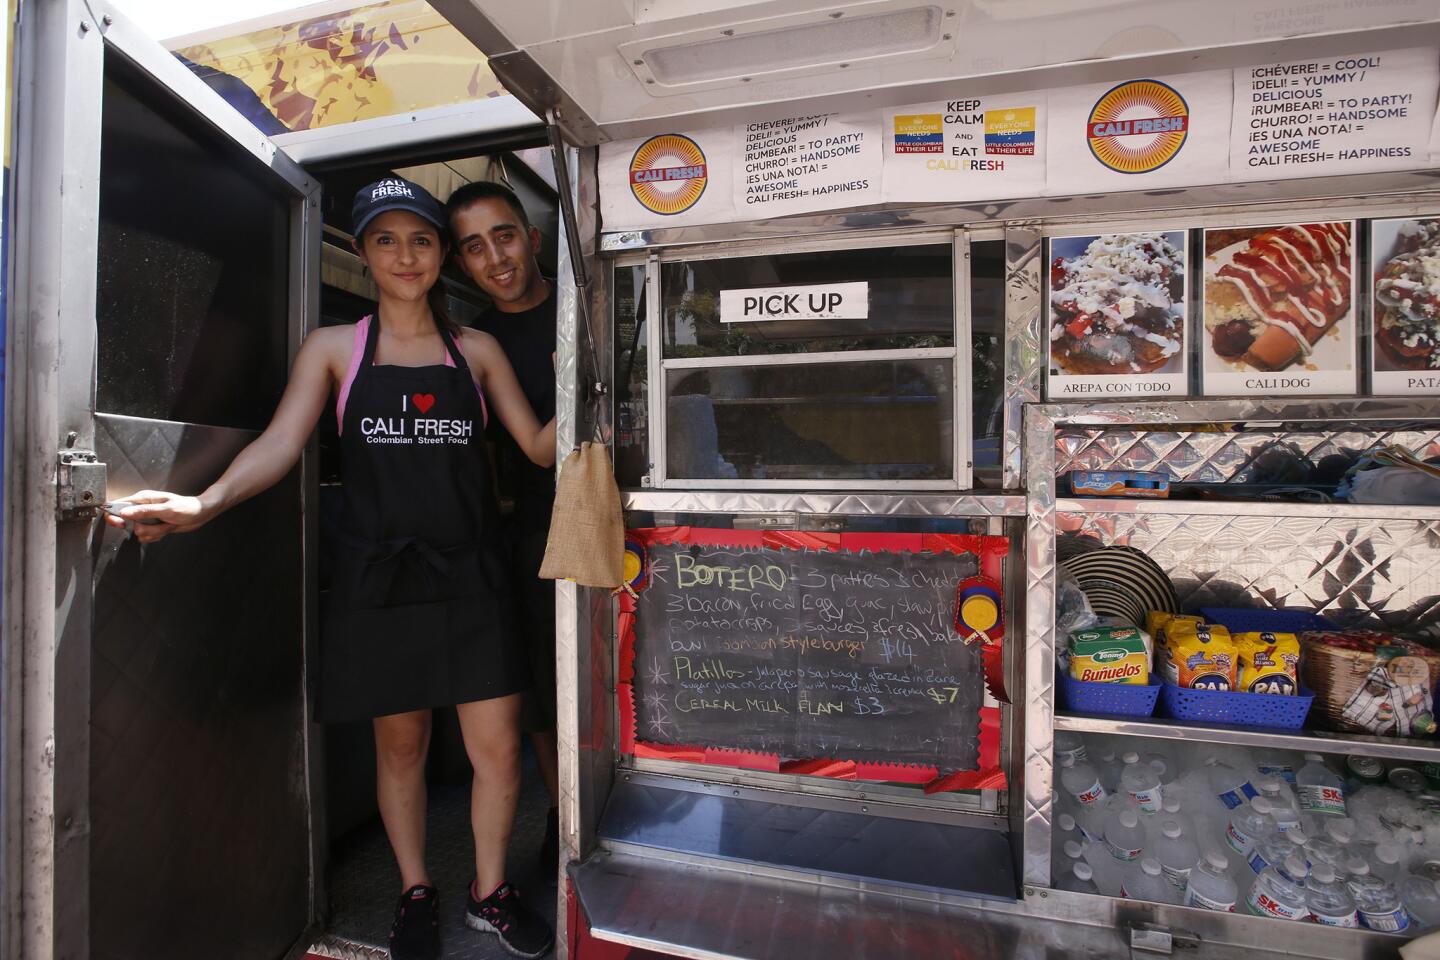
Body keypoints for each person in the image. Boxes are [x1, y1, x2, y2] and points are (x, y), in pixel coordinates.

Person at [107, 178, 555, 960]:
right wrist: (203, 504)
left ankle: (490, 891)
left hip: (472, 577)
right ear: (363, 252)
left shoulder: (476, 352)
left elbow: (540, 448)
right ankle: (417, 889)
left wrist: (594, 374)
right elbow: (281, 446)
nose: (405, 256)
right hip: (380, 581)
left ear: (439, 254)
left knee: (498, 750)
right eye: (386, 241)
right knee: (402, 750)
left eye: (421, 240)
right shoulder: (334, 349)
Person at [445, 182, 560, 873]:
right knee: (546, 691)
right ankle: (564, 813)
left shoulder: (590, 312)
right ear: (463, 265)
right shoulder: (474, 344)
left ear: (534, 239)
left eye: (506, 236)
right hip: (528, 534)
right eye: (476, 247)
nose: (496, 257)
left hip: (614, 518)